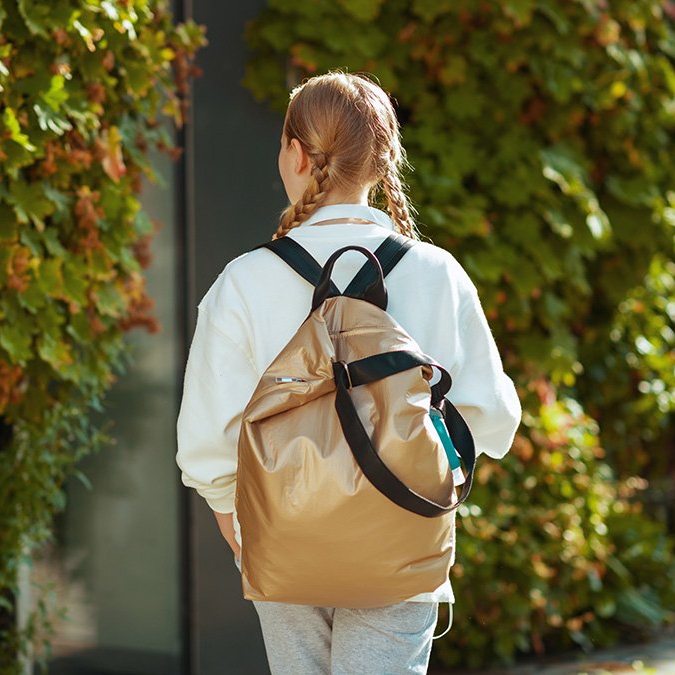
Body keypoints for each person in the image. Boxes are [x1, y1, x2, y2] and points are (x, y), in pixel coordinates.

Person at [175, 71, 522, 675]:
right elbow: (493, 421)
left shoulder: (243, 282)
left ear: (295, 154)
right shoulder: (438, 274)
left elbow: (206, 439)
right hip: (404, 529)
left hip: (281, 535)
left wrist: (238, 527)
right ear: (383, 159)